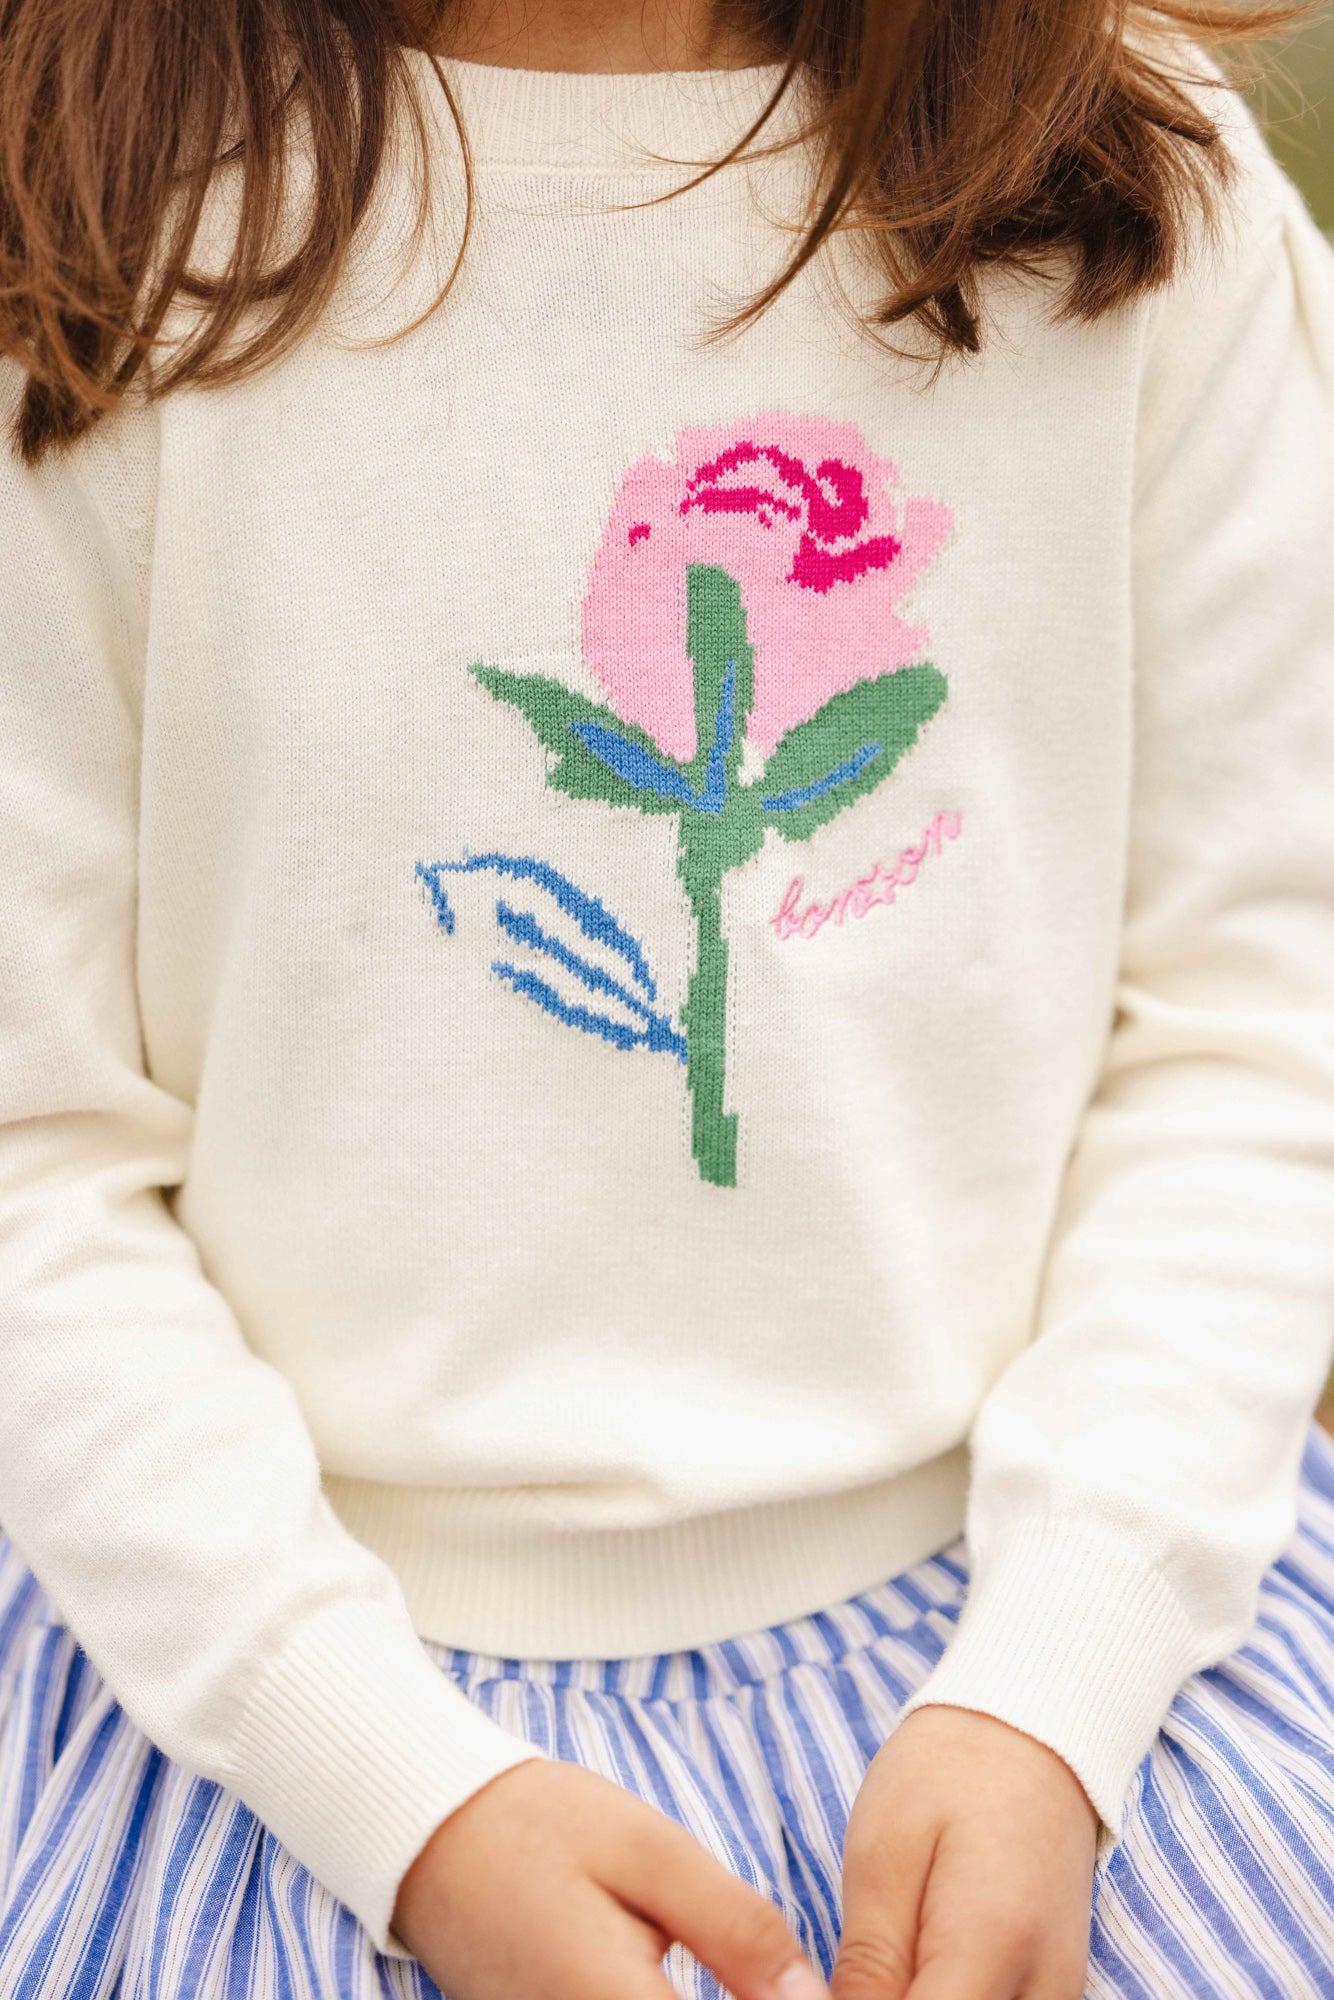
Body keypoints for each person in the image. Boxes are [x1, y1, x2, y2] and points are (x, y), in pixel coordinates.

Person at [1, 0, 1333, 1994]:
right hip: (262, 1709)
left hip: (1060, 1683)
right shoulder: (84, 230)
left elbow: (1255, 1027)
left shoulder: (1129, 186)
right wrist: (392, 1786)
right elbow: (30, 1153)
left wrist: (1058, 1678)